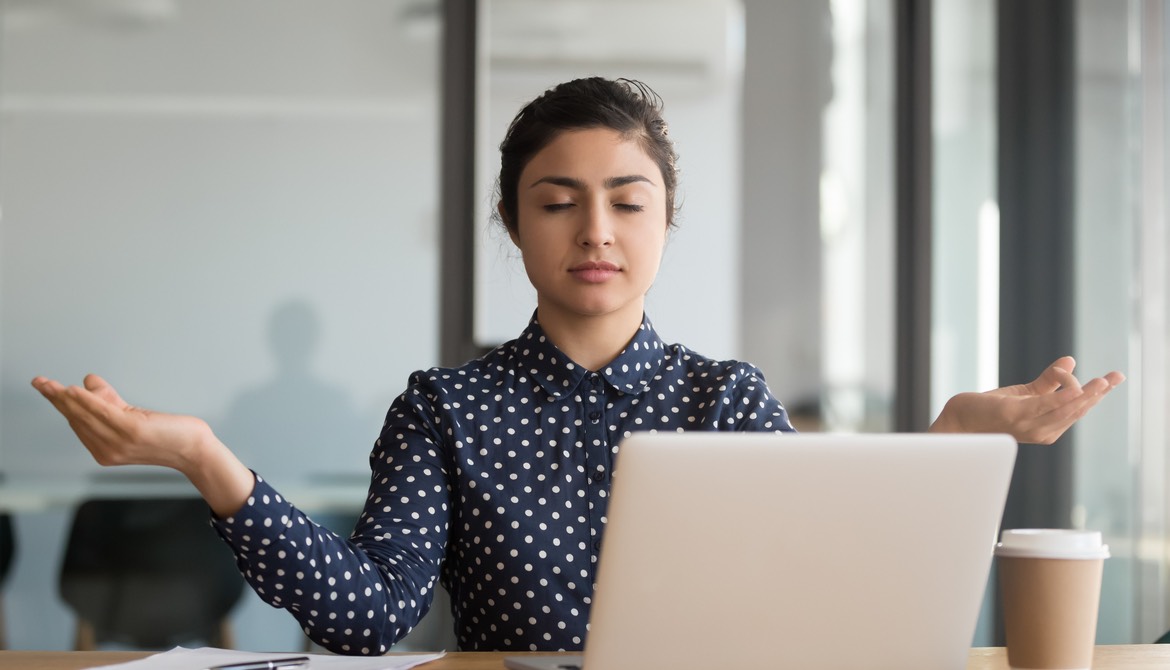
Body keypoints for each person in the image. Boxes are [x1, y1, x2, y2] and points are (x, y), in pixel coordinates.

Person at [31, 77, 1125, 655]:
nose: (594, 229)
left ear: (664, 223)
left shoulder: (724, 396)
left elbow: (827, 599)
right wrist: (204, 457)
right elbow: (365, 616)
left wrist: (948, 445)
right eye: (557, 202)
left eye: (626, 201)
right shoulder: (446, 409)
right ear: (513, 226)